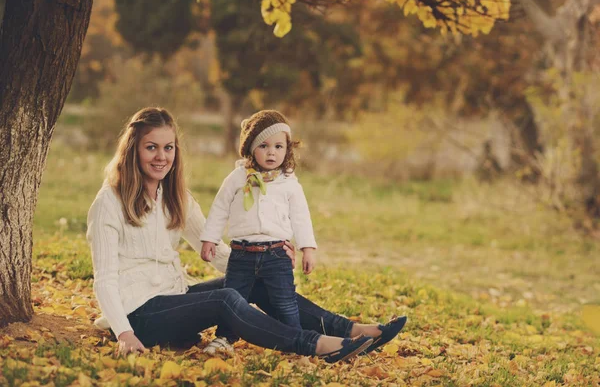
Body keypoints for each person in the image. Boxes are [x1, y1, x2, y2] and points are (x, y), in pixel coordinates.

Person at [88, 107, 407, 361]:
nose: (161, 156)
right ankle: (317, 344)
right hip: (138, 316)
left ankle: (354, 331)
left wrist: (259, 258)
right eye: (151, 147)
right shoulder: (109, 202)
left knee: (251, 279)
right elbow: (105, 279)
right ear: (133, 150)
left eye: (168, 147)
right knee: (227, 299)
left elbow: (217, 253)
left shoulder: (175, 197)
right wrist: (125, 333)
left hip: (176, 299)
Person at [199, 110, 316, 352]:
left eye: (278, 146)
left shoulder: (289, 182)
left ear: (287, 149)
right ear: (251, 148)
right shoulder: (238, 177)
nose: (272, 152)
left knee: (285, 301)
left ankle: (295, 340)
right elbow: (220, 207)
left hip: (276, 255)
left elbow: (301, 216)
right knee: (234, 297)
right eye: (263, 145)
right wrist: (210, 238)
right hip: (242, 253)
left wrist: (307, 249)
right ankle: (225, 338)